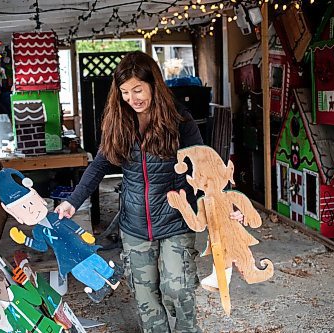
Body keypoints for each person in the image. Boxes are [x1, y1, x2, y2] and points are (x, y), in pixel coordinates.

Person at [55, 51, 241, 333]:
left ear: (153, 84)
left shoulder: (180, 120)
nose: (133, 98)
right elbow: (99, 165)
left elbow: (204, 165)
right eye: (126, 92)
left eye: (138, 90)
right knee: (146, 298)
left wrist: (227, 205)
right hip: (135, 225)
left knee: (177, 288)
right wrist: (73, 201)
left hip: (177, 220)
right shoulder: (120, 122)